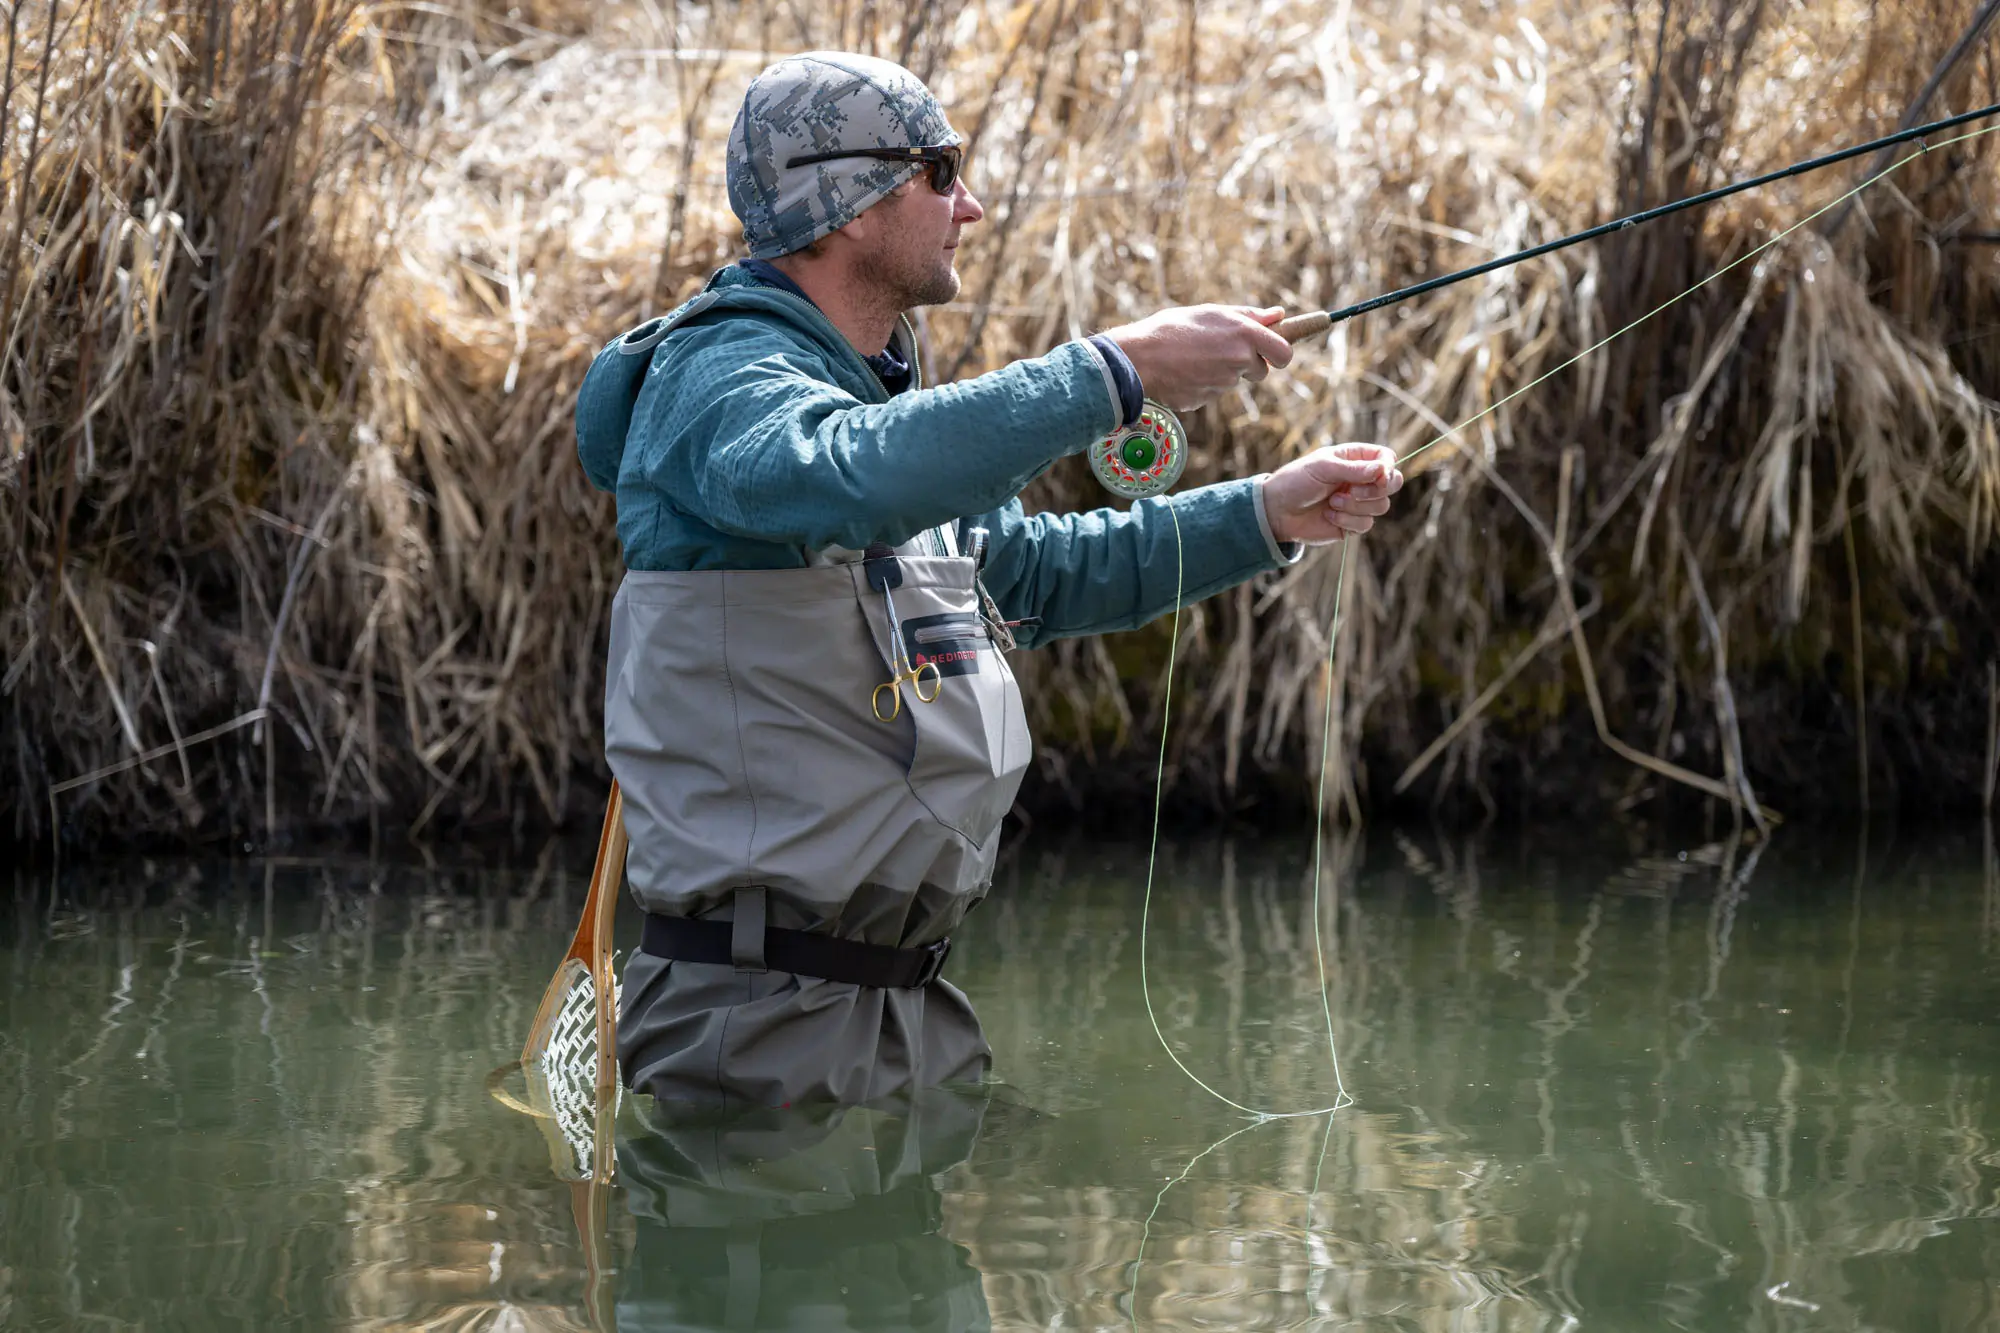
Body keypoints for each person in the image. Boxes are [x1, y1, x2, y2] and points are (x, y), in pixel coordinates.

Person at [574, 51, 1404, 1111]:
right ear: (847, 203)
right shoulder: (718, 377)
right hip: (758, 1028)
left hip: (904, 1015)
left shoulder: (871, 410)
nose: (970, 203)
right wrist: (1112, 372)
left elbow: (1031, 574)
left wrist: (1262, 514)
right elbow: (837, 476)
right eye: (939, 170)